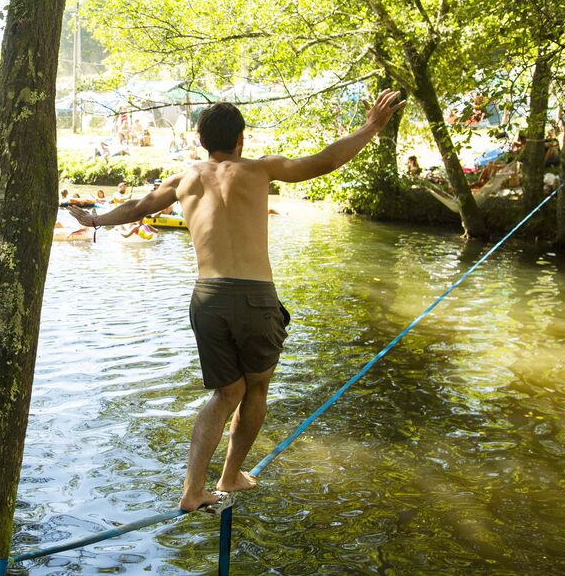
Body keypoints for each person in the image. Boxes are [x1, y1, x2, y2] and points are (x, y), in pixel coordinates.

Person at [69, 90, 405, 512]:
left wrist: (94, 218)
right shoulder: (261, 169)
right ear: (241, 139)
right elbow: (325, 161)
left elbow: (138, 207)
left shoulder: (184, 179)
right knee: (256, 387)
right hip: (253, 296)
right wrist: (371, 126)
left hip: (206, 298)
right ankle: (230, 474)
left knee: (226, 393)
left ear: (200, 140)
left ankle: (192, 489)